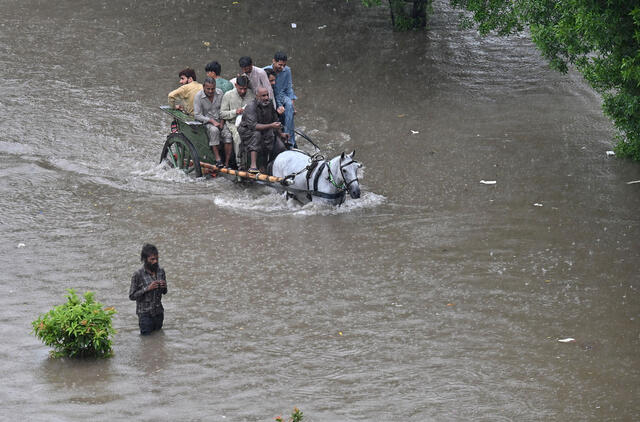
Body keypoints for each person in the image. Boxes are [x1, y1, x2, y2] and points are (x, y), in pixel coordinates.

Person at [238, 87, 290, 173]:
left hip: (266, 130)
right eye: (263, 96)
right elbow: (253, 126)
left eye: (267, 95)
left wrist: (281, 134)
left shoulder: (269, 104)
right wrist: (271, 126)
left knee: (280, 146)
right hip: (248, 132)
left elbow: (275, 120)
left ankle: (270, 165)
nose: (266, 98)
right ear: (257, 96)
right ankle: (253, 165)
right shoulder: (251, 106)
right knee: (257, 134)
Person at [129, 244, 167, 336]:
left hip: (159, 313)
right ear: (145, 259)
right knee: (146, 341)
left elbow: (165, 292)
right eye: (152, 259)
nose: (155, 261)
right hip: (145, 315)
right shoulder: (138, 274)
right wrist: (147, 288)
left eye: (157, 259)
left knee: (159, 340)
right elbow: (132, 296)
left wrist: (164, 287)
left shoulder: (161, 271)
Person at [194, 77, 233, 167]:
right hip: (206, 122)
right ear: (204, 87)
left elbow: (224, 109)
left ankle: (227, 162)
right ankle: (217, 159)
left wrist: (222, 122)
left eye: (213, 89)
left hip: (220, 120)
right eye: (208, 89)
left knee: (228, 135)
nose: (211, 91)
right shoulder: (198, 96)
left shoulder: (220, 93)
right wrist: (211, 121)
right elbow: (197, 115)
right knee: (214, 130)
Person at [220, 75, 255, 169]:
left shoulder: (251, 94)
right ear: (235, 85)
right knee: (238, 137)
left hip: (248, 123)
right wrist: (235, 112)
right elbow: (222, 114)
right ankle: (240, 164)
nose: (243, 91)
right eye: (240, 89)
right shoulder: (228, 95)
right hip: (233, 124)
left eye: (245, 89)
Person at [264, 52, 297, 146]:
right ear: (274, 61)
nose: (282, 67)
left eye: (284, 65)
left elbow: (289, 87)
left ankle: (289, 139)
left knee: (289, 106)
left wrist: (292, 104)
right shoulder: (264, 71)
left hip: (281, 95)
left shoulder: (287, 71)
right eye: (280, 65)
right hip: (269, 96)